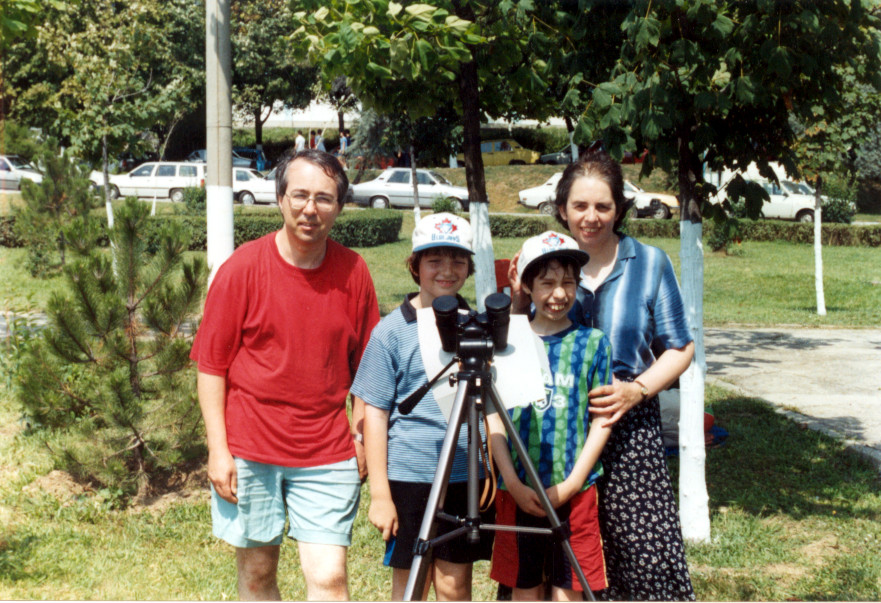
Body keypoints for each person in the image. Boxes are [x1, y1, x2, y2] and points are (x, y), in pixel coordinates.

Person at [190, 149, 380, 601]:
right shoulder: (241, 269)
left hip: (327, 450)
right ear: (279, 199)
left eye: (324, 198)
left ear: (339, 206)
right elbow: (211, 367)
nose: (310, 209)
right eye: (299, 195)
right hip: (251, 448)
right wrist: (219, 450)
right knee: (257, 574)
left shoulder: (354, 271)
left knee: (330, 577)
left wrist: (359, 438)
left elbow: (369, 372)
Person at [508, 151, 696, 601]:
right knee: (553, 563)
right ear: (561, 209)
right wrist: (516, 296)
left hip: (627, 430)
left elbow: (680, 347)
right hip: (552, 430)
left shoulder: (649, 263)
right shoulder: (540, 260)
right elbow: (513, 343)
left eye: (603, 207)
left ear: (620, 209)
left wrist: (637, 390)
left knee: (642, 558)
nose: (590, 218)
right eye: (579, 206)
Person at [350, 213, 494, 601]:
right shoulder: (391, 331)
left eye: (458, 260)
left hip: (466, 476)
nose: (447, 271)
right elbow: (375, 414)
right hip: (410, 476)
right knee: (411, 581)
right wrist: (380, 493)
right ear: (414, 265)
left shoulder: (477, 327)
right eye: (434, 260)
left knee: (453, 584)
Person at [489, 231, 612, 601]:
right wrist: (511, 480)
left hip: (574, 492)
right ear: (526, 285)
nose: (558, 294)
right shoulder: (507, 341)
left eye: (568, 283)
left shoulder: (592, 343)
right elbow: (494, 415)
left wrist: (573, 483)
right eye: (546, 283)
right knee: (525, 588)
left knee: (568, 590)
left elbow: (601, 419)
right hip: (518, 489)